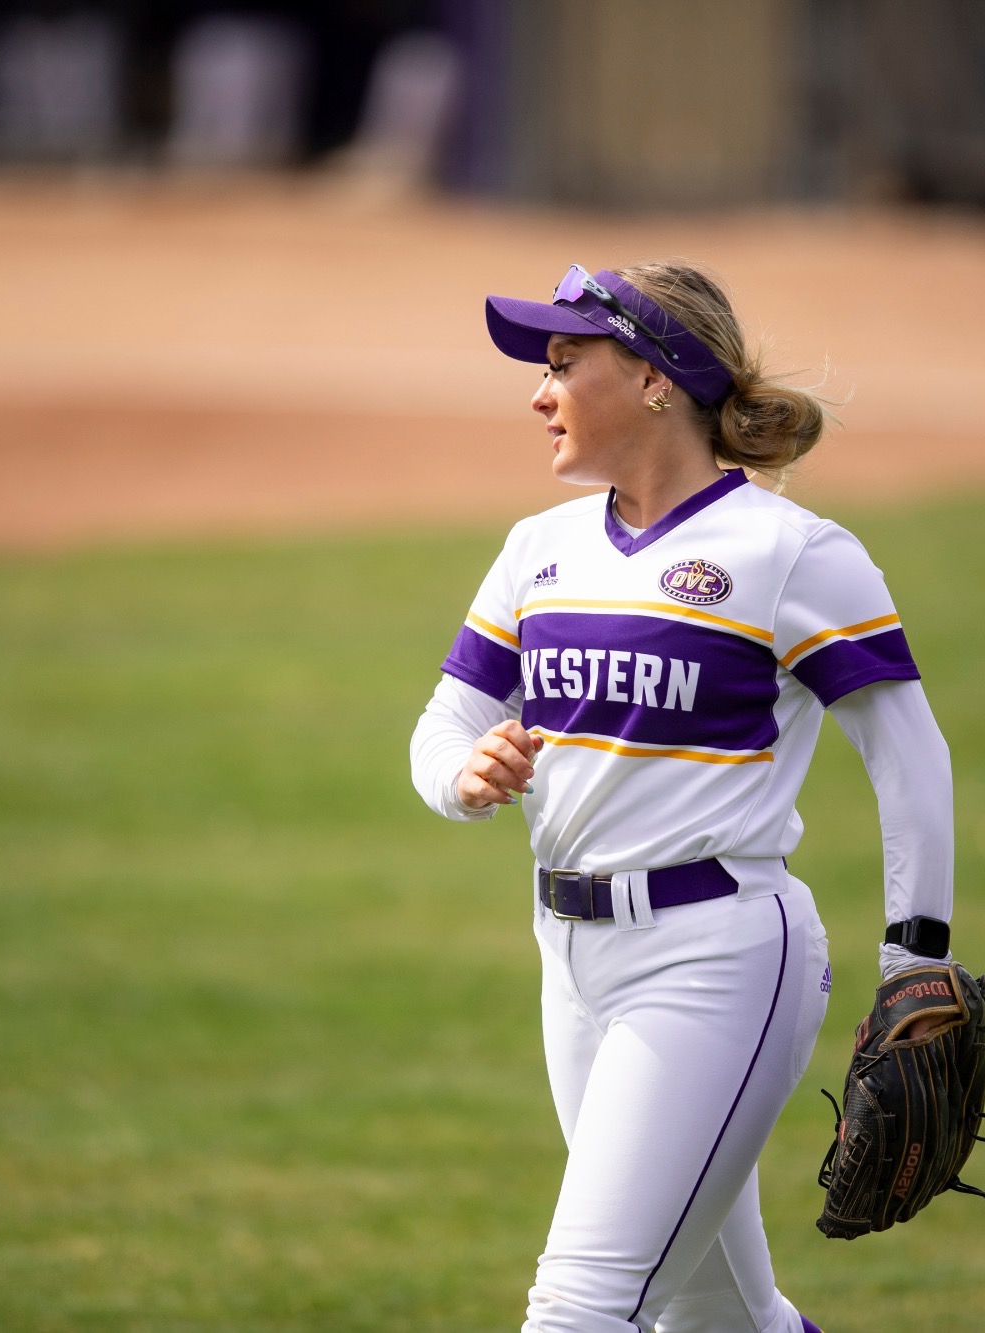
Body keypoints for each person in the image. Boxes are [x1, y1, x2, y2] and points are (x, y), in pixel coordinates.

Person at [408, 261, 957, 1333]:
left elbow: (908, 754)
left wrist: (915, 960)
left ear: (655, 379)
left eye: (565, 364)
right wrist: (460, 777)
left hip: (714, 959)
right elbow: (446, 722)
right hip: (568, 961)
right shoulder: (540, 549)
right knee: (711, 1319)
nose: (538, 392)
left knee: (578, 1309)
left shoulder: (789, 552)